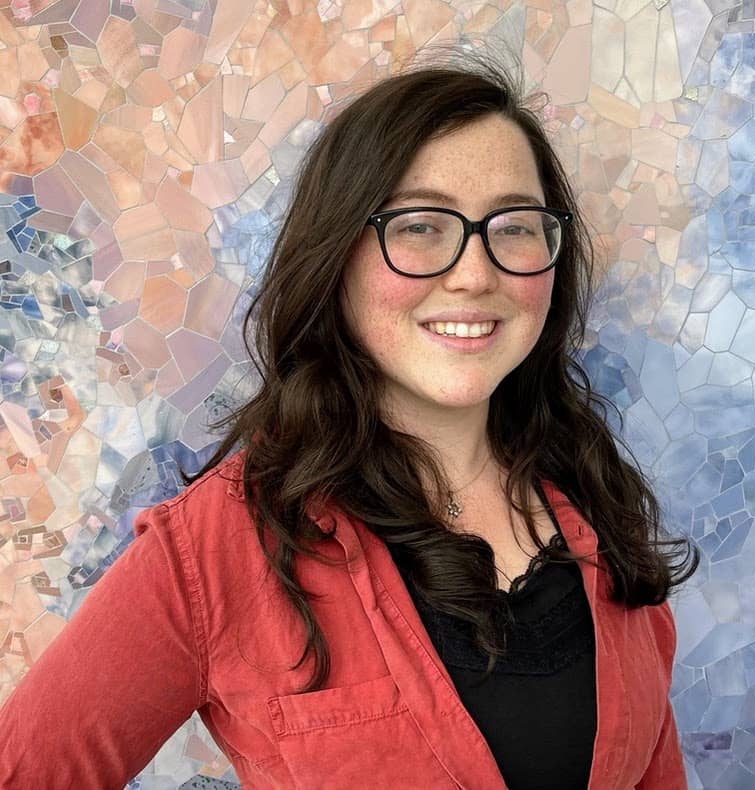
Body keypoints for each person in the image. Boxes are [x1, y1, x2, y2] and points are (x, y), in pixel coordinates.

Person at [0, 52, 698, 789]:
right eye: (421, 225)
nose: (474, 273)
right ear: (336, 256)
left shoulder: (599, 499)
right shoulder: (218, 545)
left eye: (516, 226)